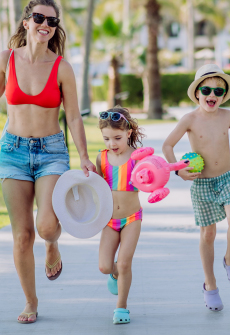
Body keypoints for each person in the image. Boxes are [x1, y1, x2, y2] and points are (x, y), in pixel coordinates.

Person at [0, 0, 96, 324]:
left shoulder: (62, 67)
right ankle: (31, 302)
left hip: (51, 152)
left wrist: (85, 157)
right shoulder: (7, 59)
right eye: (39, 18)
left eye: (52, 21)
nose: (45, 25)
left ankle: (52, 246)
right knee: (22, 235)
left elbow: (73, 117)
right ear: (26, 22)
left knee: (47, 226)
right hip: (13, 152)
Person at [162, 64, 230, 312]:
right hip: (202, 183)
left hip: (228, 178)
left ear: (223, 96)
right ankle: (210, 284)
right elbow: (167, 146)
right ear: (197, 92)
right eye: (207, 90)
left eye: (218, 92)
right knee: (208, 235)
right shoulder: (189, 119)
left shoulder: (228, 116)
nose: (212, 95)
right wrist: (178, 170)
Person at [96, 107, 145, 325]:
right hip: (109, 220)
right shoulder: (102, 158)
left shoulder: (137, 156)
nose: (111, 144)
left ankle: (121, 308)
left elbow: (152, 178)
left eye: (117, 138)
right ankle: (114, 274)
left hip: (132, 218)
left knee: (125, 263)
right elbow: (93, 187)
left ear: (128, 132)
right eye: (106, 139)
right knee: (105, 266)